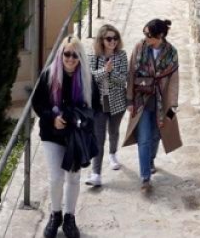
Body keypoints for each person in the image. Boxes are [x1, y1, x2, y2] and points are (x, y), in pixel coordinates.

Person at [32, 37, 98, 238]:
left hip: (75, 136)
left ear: (80, 57)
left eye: (75, 55)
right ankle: (55, 215)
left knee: (74, 177)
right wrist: (53, 118)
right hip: (52, 133)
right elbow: (38, 104)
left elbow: (94, 107)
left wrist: (80, 118)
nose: (70, 58)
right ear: (61, 54)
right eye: (66, 54)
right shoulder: (49, 76)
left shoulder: (87, 79)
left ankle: (69, 217)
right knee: (55, 178)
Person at [122, 18, 181, 191]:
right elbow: (131, 72)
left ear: (160, 35)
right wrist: (130, 100)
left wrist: (172, 107)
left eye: (148, 35)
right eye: (145, 33)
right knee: (144, 138)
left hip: (162, 103)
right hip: (142, 100)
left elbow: (174, 81)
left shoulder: (171, 53)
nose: (145, 37)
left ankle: (150, 160)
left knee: (157, 135)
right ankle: (145, 178)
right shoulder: (140, 47)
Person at [85, 24, 128, 187]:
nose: (113, 42)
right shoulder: (93, 56)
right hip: (99, 103)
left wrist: (110, 72)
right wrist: (104, 70)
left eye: (115, 38)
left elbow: (123, 78)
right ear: (101, 40)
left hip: (117, 101)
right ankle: (96, 174)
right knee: (98, 138)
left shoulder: (121, 55)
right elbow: (89, 77)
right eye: (109, 38)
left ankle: (113, 153)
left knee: (114, 131)